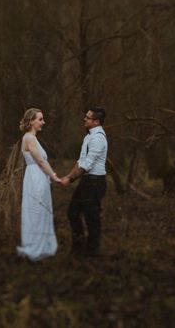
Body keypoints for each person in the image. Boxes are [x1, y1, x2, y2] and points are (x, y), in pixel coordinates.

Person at [60, 107, 108, 257]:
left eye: (88, 117)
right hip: (87, 182)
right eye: (85, 116)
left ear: (96, 121)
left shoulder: (98, 138)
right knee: (72, 212)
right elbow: (81, 161)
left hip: (95, 183)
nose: (84, 119)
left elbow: (87, 165)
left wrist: (71, 179)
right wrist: (68, 176)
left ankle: (92, 252)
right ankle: (78, 247)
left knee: (91, 217)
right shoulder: (88, 137)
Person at [16, 108, 61, 261]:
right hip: (35, 177)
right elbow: (41, 161)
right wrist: (54, 176)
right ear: (31, 121)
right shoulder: (28, 138)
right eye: (40, 119)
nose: (43, 122)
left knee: (41, 211)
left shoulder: (33, 138)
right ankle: (35, 245)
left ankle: (42, 244)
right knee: (36, 211)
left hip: (38, 177)